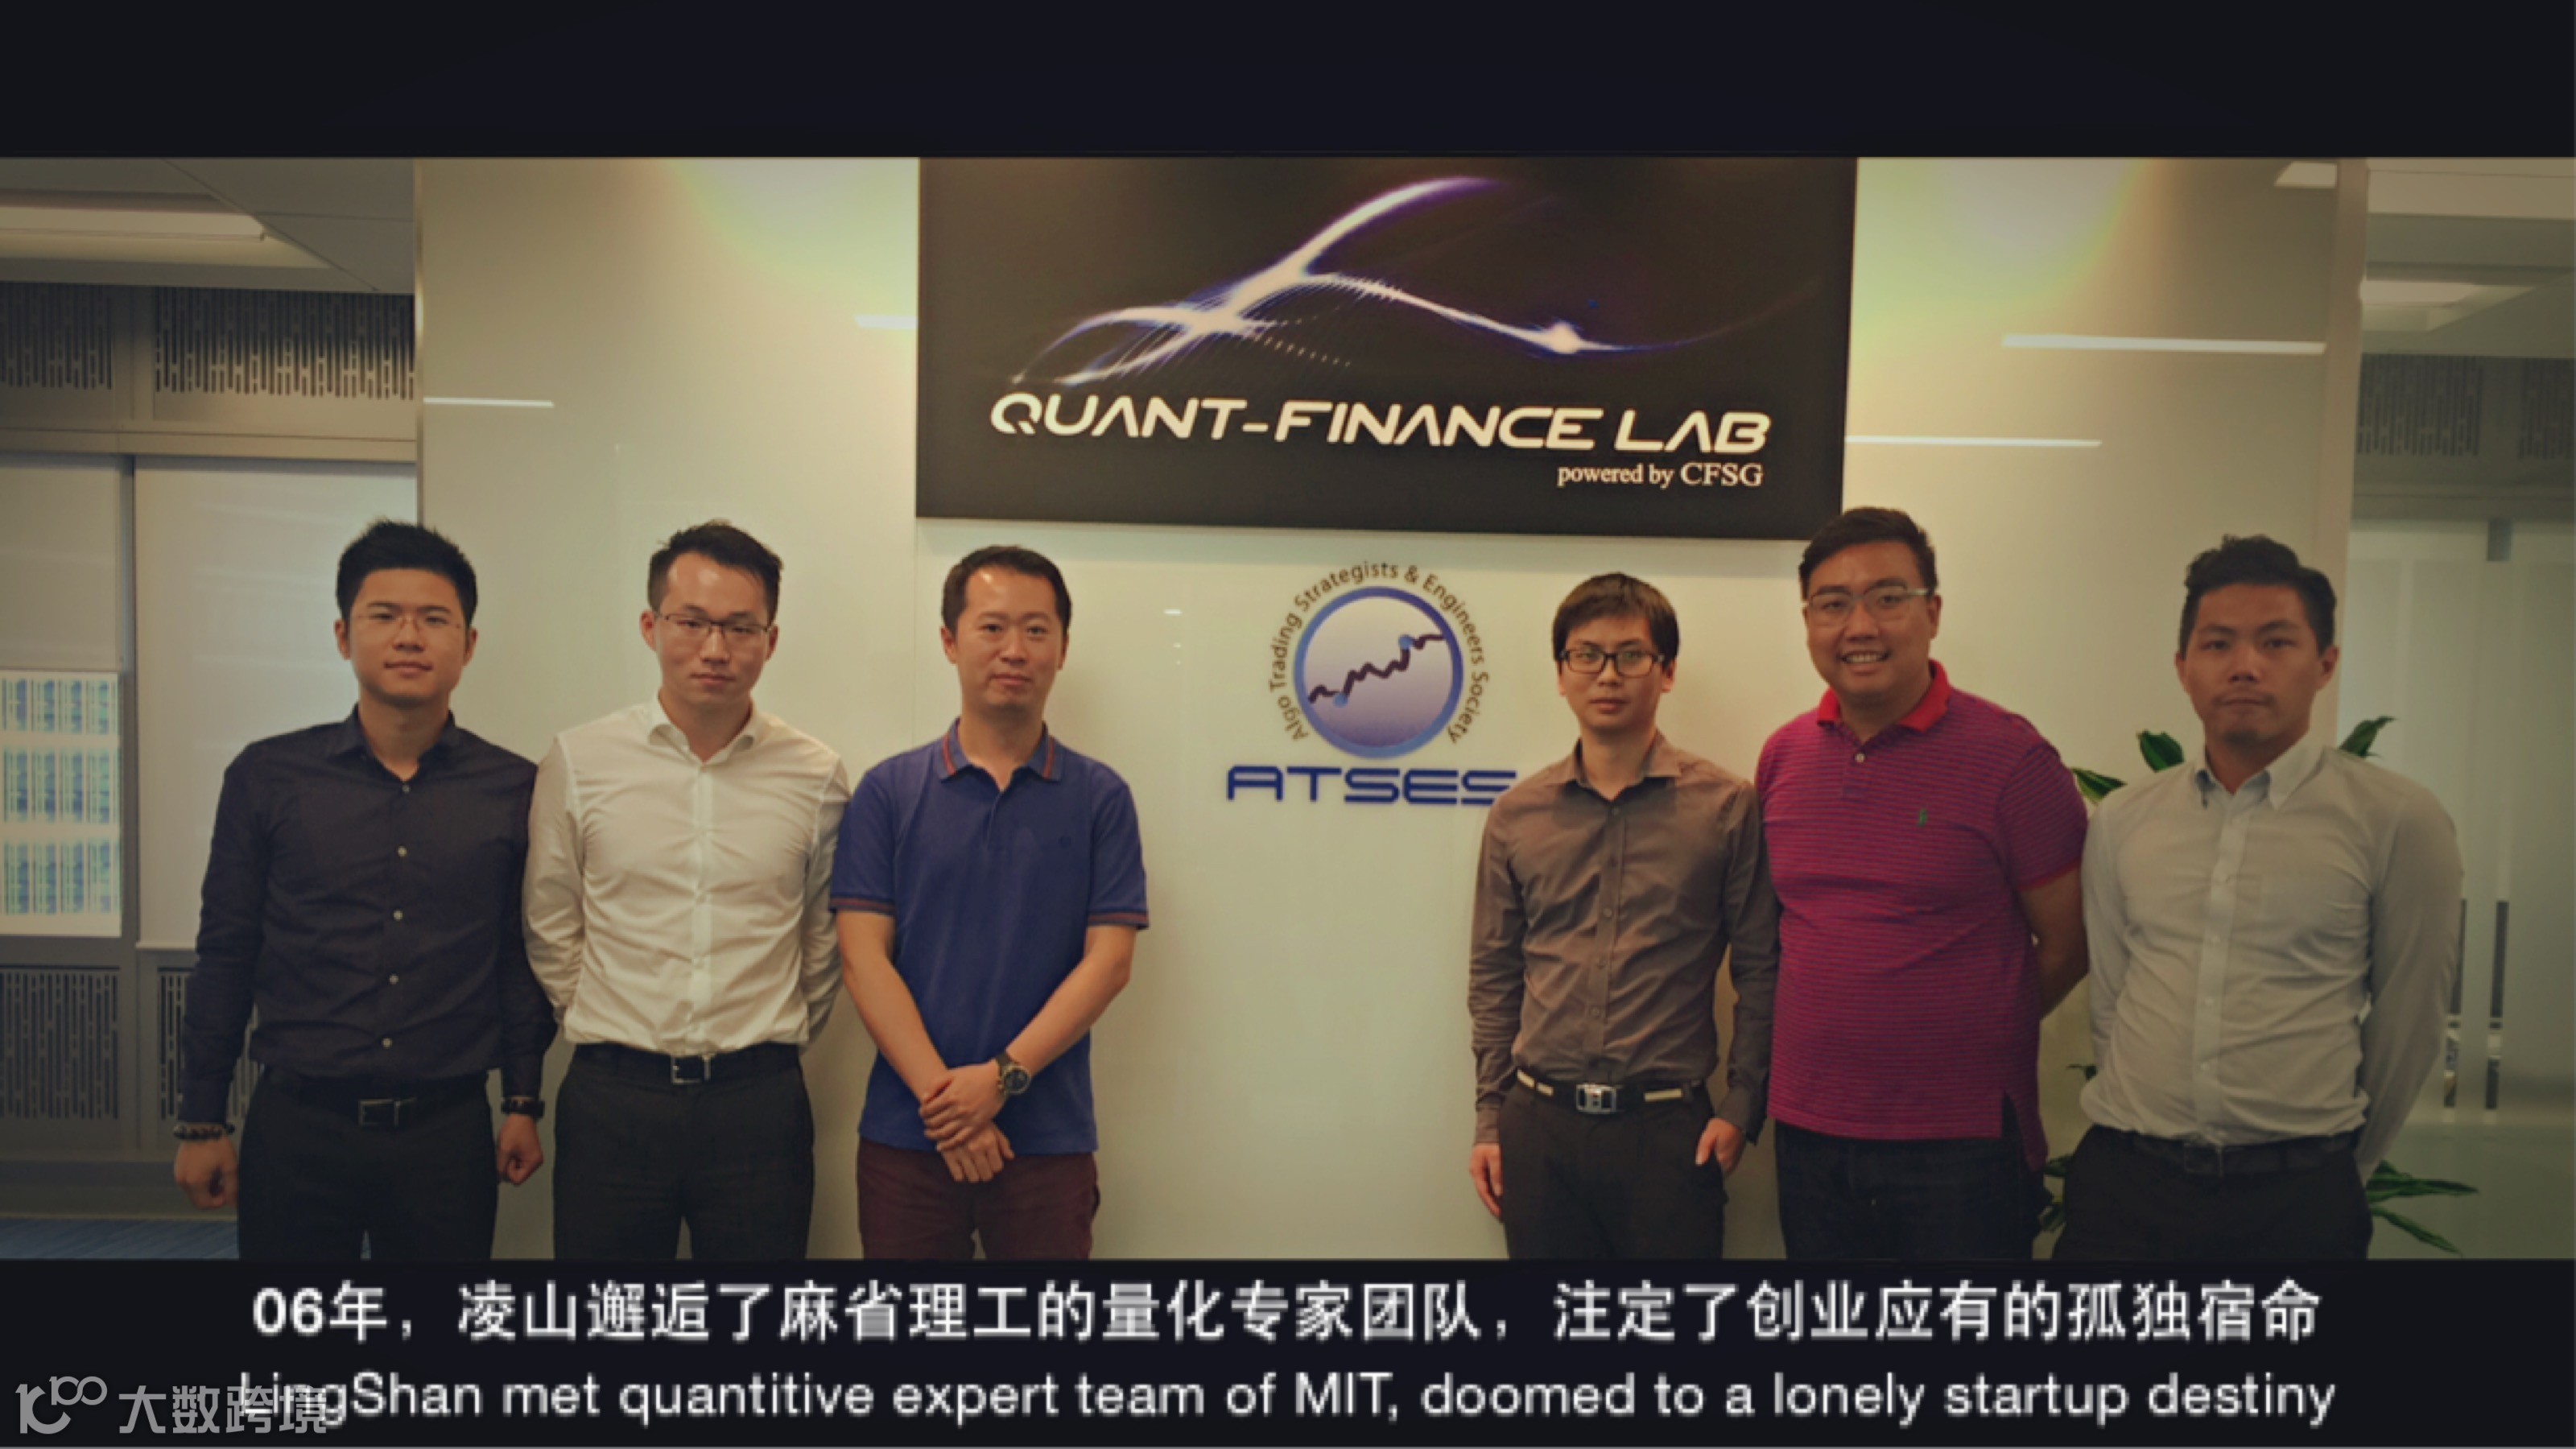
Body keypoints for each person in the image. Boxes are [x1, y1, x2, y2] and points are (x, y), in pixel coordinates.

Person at [2058, 535, 2462, 1259]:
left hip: (2296, 1199)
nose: (2244, 666)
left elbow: (2410, 1019)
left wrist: (2341, 1171)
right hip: (2128, 1191)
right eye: (2218, 644)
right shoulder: (2125, 820)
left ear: (2325, 664)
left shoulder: (2397, 819)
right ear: (2183, 668)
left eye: (2276, 642)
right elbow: (2113, 999)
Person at [173, 520, 551, 1260]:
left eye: (434, 619)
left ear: (469, 644)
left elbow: (517, 956)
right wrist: (201, 1120)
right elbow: (226, 952)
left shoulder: (514, 788)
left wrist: (522, 1099)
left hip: (446, 1131)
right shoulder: (267, 778)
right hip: (298, 1125)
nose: (409, 637)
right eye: (385, 616)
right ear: (344, 636)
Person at [1757, 506, 2088, 1260]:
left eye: (1887, 597)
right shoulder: (1783, 757)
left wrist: (1965, 1030)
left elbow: (2071, 943)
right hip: (1811, 1134)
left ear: (1932, 613)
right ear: (1808, 623)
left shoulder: (2012, 759)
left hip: (1962, 1148)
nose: (1860, 626)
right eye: (1833, 604)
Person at [524, 522, 849, 1259]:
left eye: (740, 627)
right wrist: (599, 1016)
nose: (715, 648)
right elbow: (551, 919)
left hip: (757, 1104)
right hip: (614, 1099)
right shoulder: (580, 761)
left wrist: (770, 1036)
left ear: (770, 640)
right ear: (651, 627)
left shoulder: (817, 776)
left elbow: (822, 938)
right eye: (692, 622)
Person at [835, 545, 1146, 1259]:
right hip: (908, 1137)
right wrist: (951, 1107)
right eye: (992, 627)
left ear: (1063, 649)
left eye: (1037, 630)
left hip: (1048, 1142)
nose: (1015, 650)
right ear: (950, 641)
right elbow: (863, 960)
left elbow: (1110, 963)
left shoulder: (1101, 798)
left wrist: (1002, 1080)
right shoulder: (888, 792)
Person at [1467, 573, 1778, 1258]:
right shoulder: (1516, 816)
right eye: (1587, 655)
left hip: (1668, 1135)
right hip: (1538, 1127)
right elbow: (1494, 976)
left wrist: (1742, 1105)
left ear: (1666, 672)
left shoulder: (1727, 808)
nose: (1608, 675)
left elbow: (1762, 969)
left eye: (1631, 656)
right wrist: (1491, 1118)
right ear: (1561, 674)